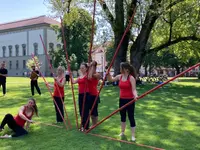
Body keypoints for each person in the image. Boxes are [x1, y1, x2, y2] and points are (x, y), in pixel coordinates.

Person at [107, 62, 138, 141]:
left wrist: (135, 96)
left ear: (126, 69)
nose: (120, 69)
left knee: (131, 117)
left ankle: (133, 135)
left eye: (121, 68)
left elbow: (134, 89)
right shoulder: (119, 76)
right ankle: (122, 132)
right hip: (122, 99)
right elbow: (111, 80)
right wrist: (108, 74)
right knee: (123, 116)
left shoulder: (131, 78)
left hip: (130, 100)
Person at [71, 63, 90, 130]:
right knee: (81, 110)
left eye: (83, 68)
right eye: (81, 68)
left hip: (86, 94)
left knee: (85, 110)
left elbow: (91, 74)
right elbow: (73, 82)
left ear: (86, 68)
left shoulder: (87, 75)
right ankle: (82, 125)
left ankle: (86, 126)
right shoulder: (80, 76)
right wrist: (71, 75)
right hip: (80, 94)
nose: (81, 69)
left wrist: (90, 65)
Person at [87, 60, 101, 126]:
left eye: (93, 66)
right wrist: (89, 66)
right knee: (89, 110)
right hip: (88, 94)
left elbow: (90, 77)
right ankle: (92, 123)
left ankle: (94, 124)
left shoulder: (97, 74)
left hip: (94, 94)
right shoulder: (89, 73)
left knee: (94, 110)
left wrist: (92, 66)